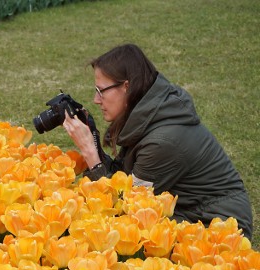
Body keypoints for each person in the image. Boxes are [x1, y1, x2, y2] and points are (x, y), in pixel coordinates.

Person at [62, 43, 253, 239]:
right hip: (191, 212)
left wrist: (91, 154)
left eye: (101, 90)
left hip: (220, 228)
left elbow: (125, 206)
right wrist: (92, 142)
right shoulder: (149, 114)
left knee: (130, 231)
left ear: (126, 87)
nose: (95, 99)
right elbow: (123, 179)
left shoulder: (162, 142)